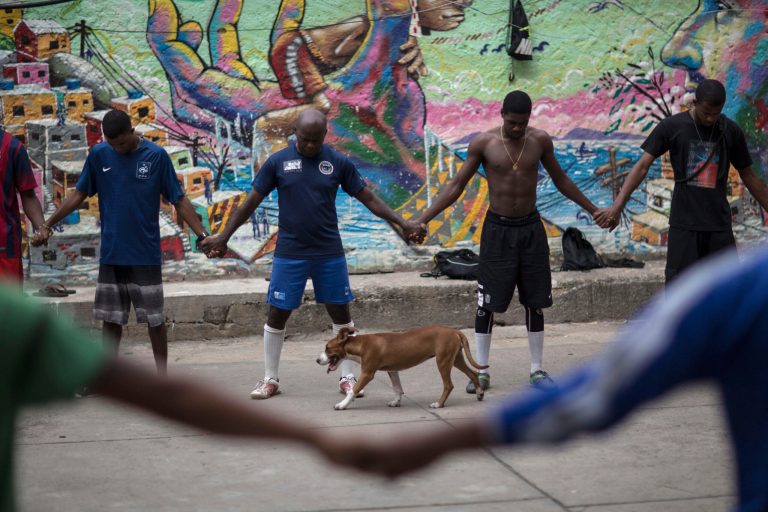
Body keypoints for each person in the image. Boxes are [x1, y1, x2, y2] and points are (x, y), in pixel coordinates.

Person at [329, 244, 768, 512]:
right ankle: (478, 375)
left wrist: (440, 442)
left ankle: (484, 376)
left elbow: (596, 396)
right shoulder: (736, 287)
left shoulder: (734, 289)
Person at [0, 285, 352, 512]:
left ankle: (329, 377)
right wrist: (313, 439)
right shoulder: (11, 316)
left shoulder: (12, 317)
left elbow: (166, 393)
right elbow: (170, 397)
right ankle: (271, 377)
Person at [199, 109, 423, 399]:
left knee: (341, 314)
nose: (309, 146)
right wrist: (223, 237)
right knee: (277, 313)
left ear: (325, 136)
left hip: (329, 252)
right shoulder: (278, 162)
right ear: (294, 132)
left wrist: (403, 223)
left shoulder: (338, 162)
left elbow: (368, 198)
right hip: (290, 253)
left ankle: (347, 377)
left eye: (315, 141)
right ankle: (270, 379)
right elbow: (251, 202)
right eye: (304, 140)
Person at [412, 90, 600, 393]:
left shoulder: (539, 141)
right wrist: (424, 218)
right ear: (502, 115)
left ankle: (537, 370)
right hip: (497, 230)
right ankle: (482, 371)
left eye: (523, 124)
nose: (517, 129)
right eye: (513, 123)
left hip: (530, 229)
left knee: (535, 301)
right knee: (487, 303)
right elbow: (456, 185)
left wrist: (593, 209)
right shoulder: (483, 143)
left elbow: (562, 180)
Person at [31, 110, 210, 375]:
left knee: (154, 320)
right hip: (112, 253)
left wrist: (201, 235)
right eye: (113, 144)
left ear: (132, 131)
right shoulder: (99, 155)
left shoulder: (156, 156)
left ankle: (163, 380)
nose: (118, 149)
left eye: (123, 143)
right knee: (111, 320)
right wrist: (47, 224)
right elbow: (79, 193)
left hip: (145, 254)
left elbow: (179, 199)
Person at [594, 79, 768, 283]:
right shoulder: (672, 126)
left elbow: (748, 175)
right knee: (680, 288)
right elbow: (642, 166)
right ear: (694, 103)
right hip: (683, 225)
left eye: (716, 113)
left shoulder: (731, 131)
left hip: (718, 226)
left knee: (727, 289)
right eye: (706, 113)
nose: (711, 118)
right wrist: (617, 206)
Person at [0, 128, 47, 284]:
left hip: (4, 248)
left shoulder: (13, 147)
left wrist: (42, 228)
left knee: (7, 307)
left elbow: (28, 195)